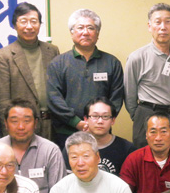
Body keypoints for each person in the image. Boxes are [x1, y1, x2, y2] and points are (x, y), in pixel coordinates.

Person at [47, 8, 124, 149]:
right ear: (71, 33)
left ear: (98, 33)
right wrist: (76, 122)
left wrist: (100, 122)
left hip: (102, 133)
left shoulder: (112, 63)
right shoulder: (58, 63)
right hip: (66, 132)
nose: (85, 32)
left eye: (90, 28)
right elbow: (54, 99)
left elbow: (116, 98)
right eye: (80, 28)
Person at [124, 3, 170, 147]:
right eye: (158, 22)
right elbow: (129, 95)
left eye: (168, 22)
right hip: (147, 115)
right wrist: (140, 117)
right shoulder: (136, 57)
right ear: (149, 26)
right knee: (145, 163)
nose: (163, 27)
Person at [0, 2, 60, 140]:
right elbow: (3, 100)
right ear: (14, 25)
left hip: (52, 123)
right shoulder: (3, 56)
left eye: (34, 21)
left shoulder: (52, 51)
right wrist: (8, 134)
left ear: (40, 24)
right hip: (23, 126)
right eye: (23, 21)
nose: (29, 26)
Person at [62, 97, 136, 174]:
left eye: (105, 116)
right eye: (95, 116)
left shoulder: (127, 149)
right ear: (86, 119)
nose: (100, 121)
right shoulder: (72, 147)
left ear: (113, 120)